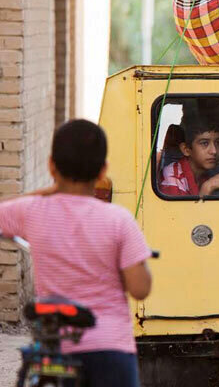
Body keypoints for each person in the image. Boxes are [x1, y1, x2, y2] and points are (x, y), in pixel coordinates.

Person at [0, 119, 152, 387]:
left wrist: (49, 190)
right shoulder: (118, 220)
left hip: (57, 352)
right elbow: (140, 289)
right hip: (110, 349)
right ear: (103, 170)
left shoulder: (33, 211)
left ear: (51, 166)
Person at [159, 99, 219, 196]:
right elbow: (178, 211)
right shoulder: (172, 179)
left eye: (218, 143)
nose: (214, 151)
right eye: (204, 143)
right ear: (186, 150)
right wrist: (207, 188)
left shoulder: (214, 173)